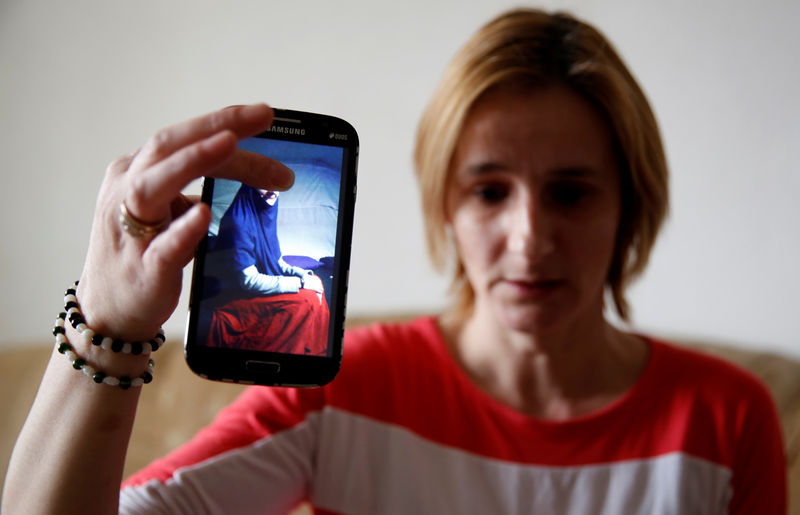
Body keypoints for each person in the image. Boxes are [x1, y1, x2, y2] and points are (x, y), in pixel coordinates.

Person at [2, 7, 787, 514]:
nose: (528, 237)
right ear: (445, 203)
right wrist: (106, 323)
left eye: (572, 193)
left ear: (630, 203)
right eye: (488, 191)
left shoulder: (726, 417)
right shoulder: (342, 391)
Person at [202, 184, 328, 354]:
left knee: (316, 281)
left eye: (276, 186)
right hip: (236, 294)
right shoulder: (239, 223)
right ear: (251, 187)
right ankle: (294, 354)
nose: (272, 192)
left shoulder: (265, 210)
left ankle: (312, 348)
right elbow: (249, 281)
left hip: (253, 283)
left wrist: (303, 275)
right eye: (264, 186)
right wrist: (301, 283)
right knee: (307, 300)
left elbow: (276, 261)